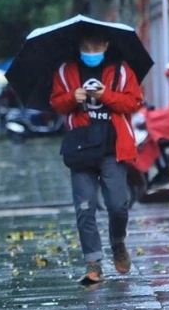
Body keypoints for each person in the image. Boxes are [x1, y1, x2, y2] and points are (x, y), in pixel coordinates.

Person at [50, 25, 143, 285]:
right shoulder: (65, 71)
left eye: (96, 47)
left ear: (105, 46)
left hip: (114, 148)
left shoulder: (121, 70)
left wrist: (106, 96)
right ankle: (93, 263)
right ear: (79, 47)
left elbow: (134, 102)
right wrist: (72, 97)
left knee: (117, 205)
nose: (91, 52)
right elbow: (56, 103)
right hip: (80, 150)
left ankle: (118, 243)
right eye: (86, 48)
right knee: (84, 207)